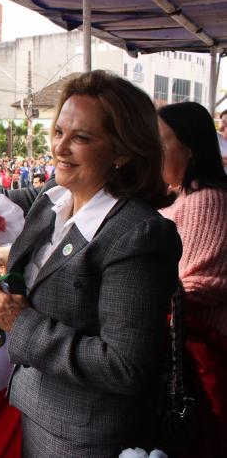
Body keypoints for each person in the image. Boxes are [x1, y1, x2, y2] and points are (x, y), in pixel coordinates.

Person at [0, 72, 181, 456]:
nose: (60, 147)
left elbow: (125, 365)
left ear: (122, 151)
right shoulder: (52, 197)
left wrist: (21, 324)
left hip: (87, 438)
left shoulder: (138, 235)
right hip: (37, 410)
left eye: (81, 138)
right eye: (58, 132)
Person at [157, 102, 227, 457]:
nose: (153, 149)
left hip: (194, 359)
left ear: (189, 147)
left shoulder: (205, 200)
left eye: (162, 140)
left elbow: (201, 283)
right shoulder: (178, 197)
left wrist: (138, 289)